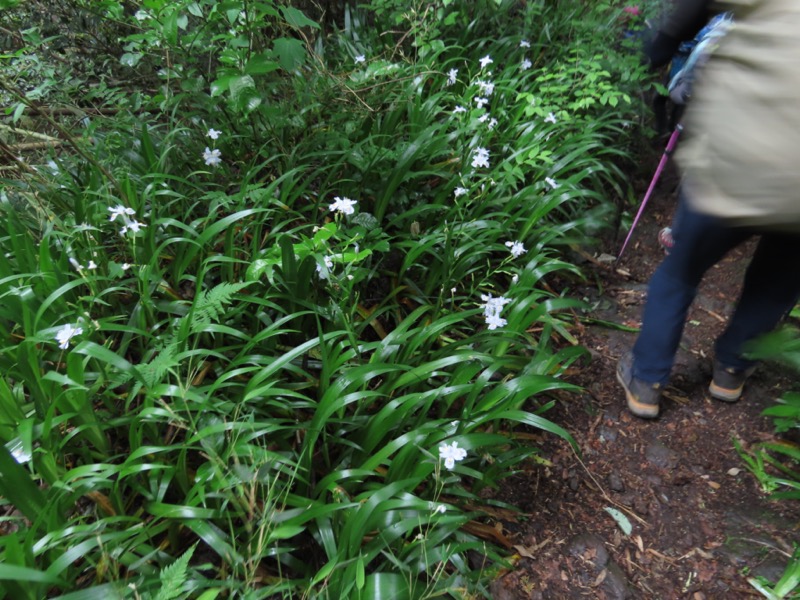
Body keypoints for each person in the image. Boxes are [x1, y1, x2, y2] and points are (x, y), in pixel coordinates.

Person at [617, 0, 800, 418]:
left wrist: (658, 46)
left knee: (681, 271)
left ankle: (646, 381)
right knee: (777, 282)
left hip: (739, 155)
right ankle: (732, 370)